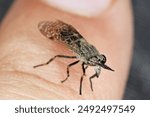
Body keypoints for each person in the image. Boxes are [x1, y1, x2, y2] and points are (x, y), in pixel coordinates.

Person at [0, 0, 133, 99]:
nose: (98, 61)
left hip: (74, 35)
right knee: (62, 60)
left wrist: (96, 66)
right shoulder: (84, 57)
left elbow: (94, 61)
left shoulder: (94, 56)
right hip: (65, 36)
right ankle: (46, 65)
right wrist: (71, 77)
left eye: (99, 59)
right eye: (96, 60)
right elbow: (79, 66)